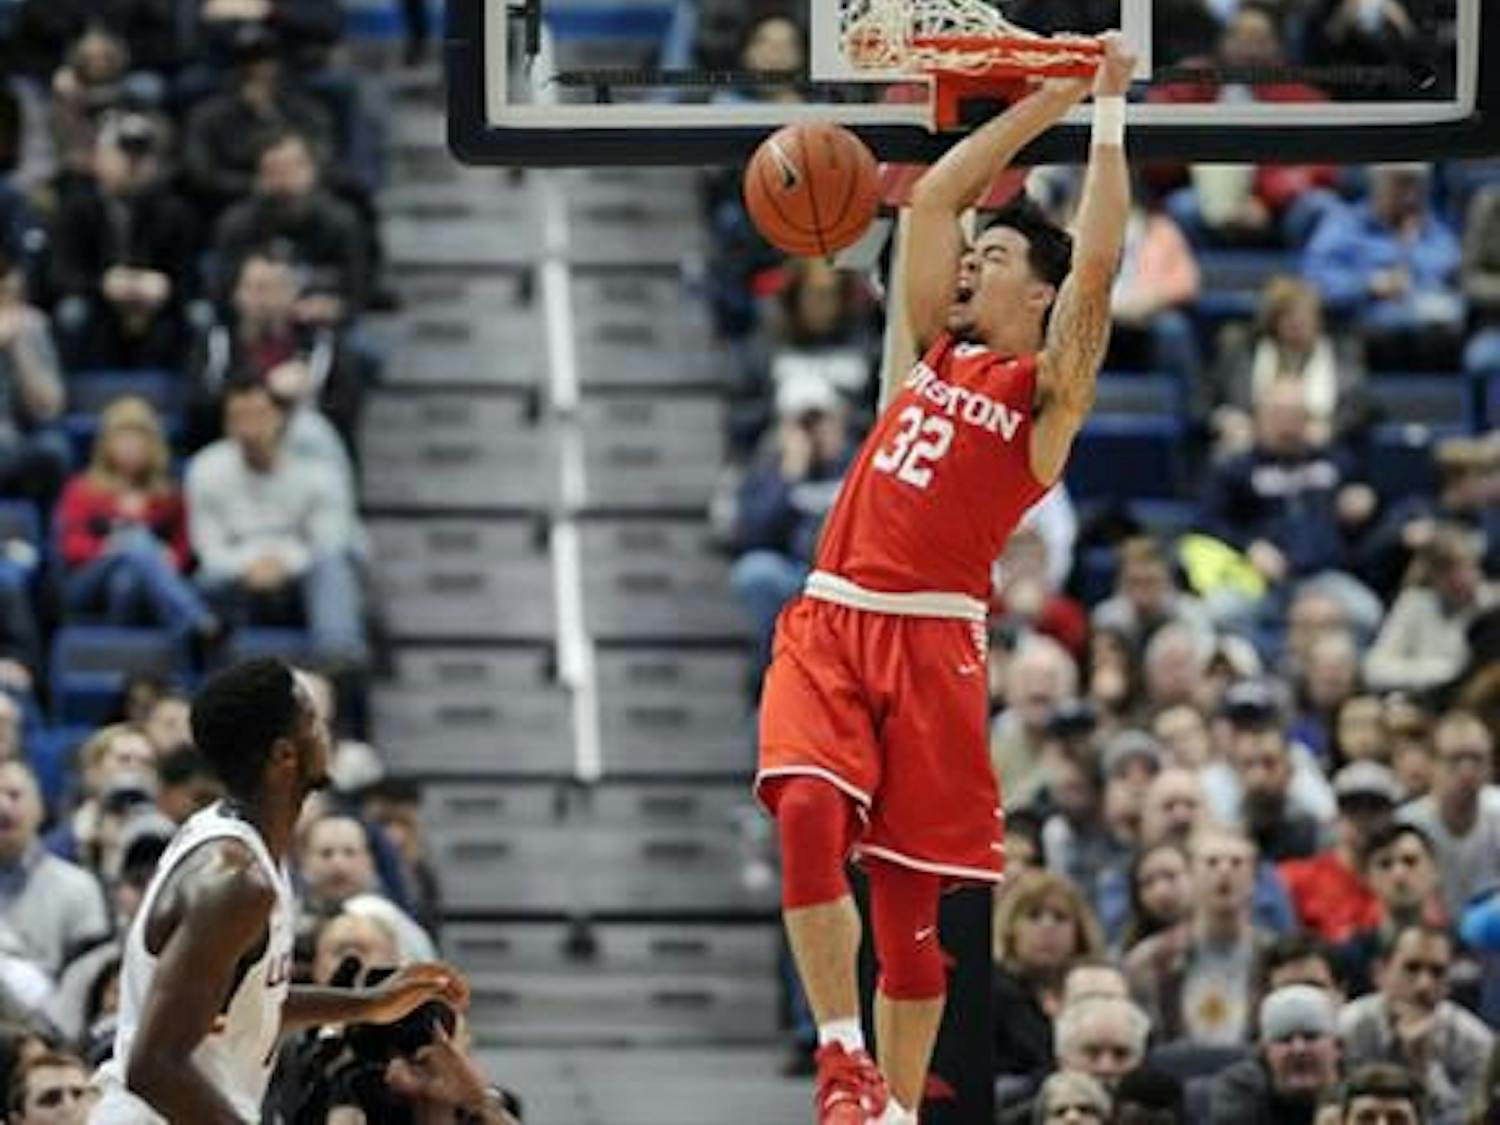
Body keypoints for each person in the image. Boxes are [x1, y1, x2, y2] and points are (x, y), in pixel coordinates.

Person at [753, 36, 1135, 1125]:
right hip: (833, 620)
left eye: (997, 261)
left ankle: (897, 1111)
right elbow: (932, 207)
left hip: (934, 644)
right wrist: (1042, 102)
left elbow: (1098, 265)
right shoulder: (931, 348)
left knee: (914, 928)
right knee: (807, 813)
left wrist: (1106, 113)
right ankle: (839, 1058)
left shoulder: (1045, 399)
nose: (972, 266)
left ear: (1044, 295)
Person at [89, 658, 469, 1123]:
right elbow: (154, 1067)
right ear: (285, 756)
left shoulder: (246, 848)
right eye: (313, 720)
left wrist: (367, 1005)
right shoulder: (235, 880)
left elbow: (251, 1007)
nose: (326, 730)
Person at [56, 398, 221, 644]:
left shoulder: (168, 495)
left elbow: (184, 546)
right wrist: (115, 548)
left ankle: (126, 651)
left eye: (137, 439)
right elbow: (71, 547)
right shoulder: (82, 490)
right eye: (122, 438)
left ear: (153, 445)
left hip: (141, 585)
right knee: (134, 541)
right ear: (106, 445)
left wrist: (168, 556)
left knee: (127, 581)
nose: (130, 447)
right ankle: (197, 620)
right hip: (86, 582)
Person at [1338, 924, 1493, 1125]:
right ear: (1380, 972)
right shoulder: (1349, 1027)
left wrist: (1423, 1066)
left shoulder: (1475, 1041)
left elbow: (1473, 1119)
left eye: (1437, 972)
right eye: (1411, 968)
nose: (1424, 985)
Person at [1397, 711, 1500, 918]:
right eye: (1455, 759)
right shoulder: (1407, 824)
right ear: (1431, 764)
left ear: (1490, 765)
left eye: (1476, 759)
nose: (1467, 771)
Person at [1207, 984, 1343, 1125]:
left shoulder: (1360, 1089)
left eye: (1311, 1037)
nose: (1299, 1049)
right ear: (1265, 1053)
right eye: (1284, 1039)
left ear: (1338, 1046)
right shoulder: (1239, 1092)